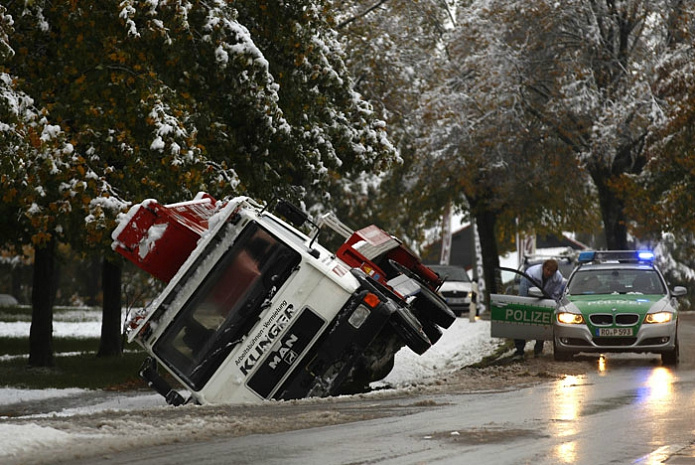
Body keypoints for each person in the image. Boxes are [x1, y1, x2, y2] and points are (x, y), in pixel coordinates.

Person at [513, 259, 565, 360]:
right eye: (547, 270)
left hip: (544, 302)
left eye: (552, 271)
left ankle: (538, 350)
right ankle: (519, 351)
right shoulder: (530, 274)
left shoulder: (558, 278)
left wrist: (551, 304)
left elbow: (556, 293)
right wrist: (524, 304)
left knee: (542, 324)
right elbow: (523, 292)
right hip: (529, 300)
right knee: (521, 325)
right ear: (543, 267)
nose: (549, 273)